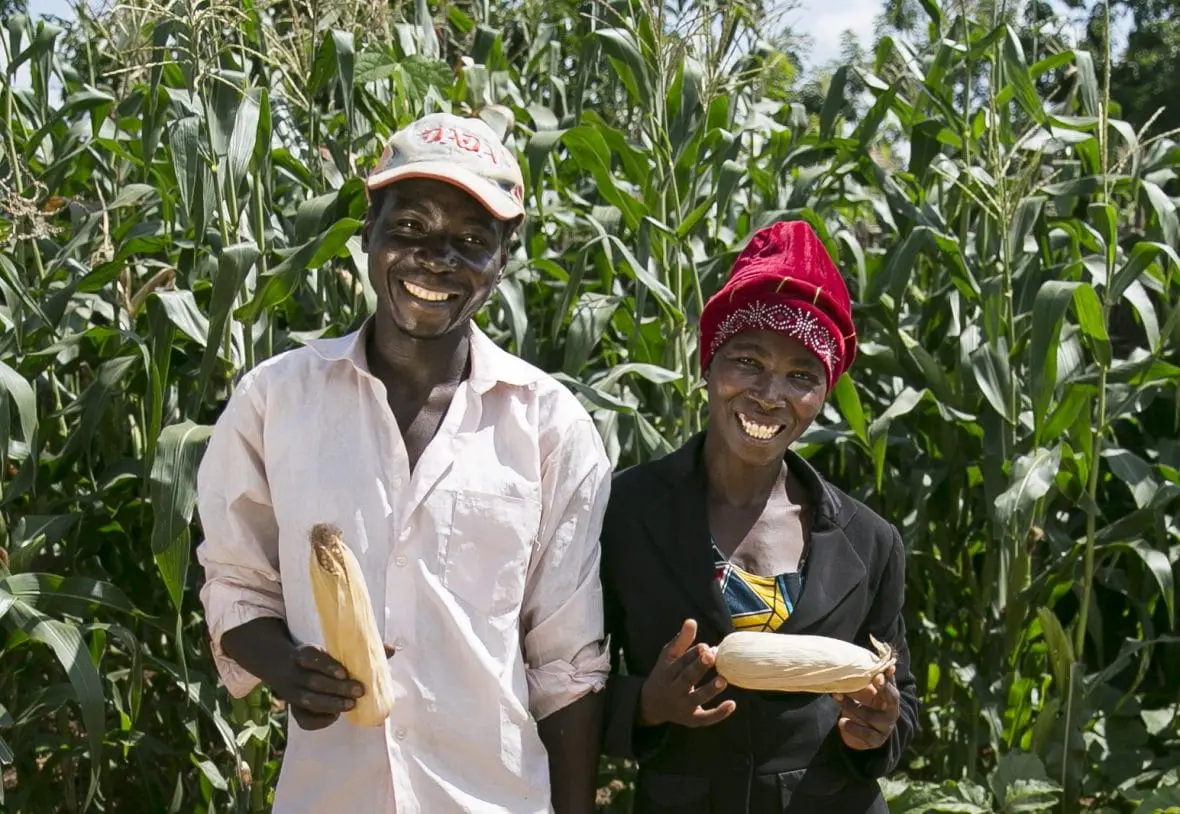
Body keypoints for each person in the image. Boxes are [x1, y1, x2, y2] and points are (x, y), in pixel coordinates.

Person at [195, 110, 610, 813]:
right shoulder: (276, 402)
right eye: (410, 228)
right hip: (330, 795)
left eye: (471, 241)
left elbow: (567, 664)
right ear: (368, 231)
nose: (435, 259)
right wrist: (287, 668)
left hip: (492, 797)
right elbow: (236, 586)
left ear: (504, 256)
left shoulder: (549, 425)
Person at [598, 220, 920, 812]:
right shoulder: (623, 513)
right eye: (748, 361)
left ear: (823, 394)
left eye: (801, 376)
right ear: (709, 365)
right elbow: (567, 681)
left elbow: (898, 701)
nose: (770, 395)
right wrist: (646, 705)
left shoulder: (870, 543)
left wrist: (875, 731)